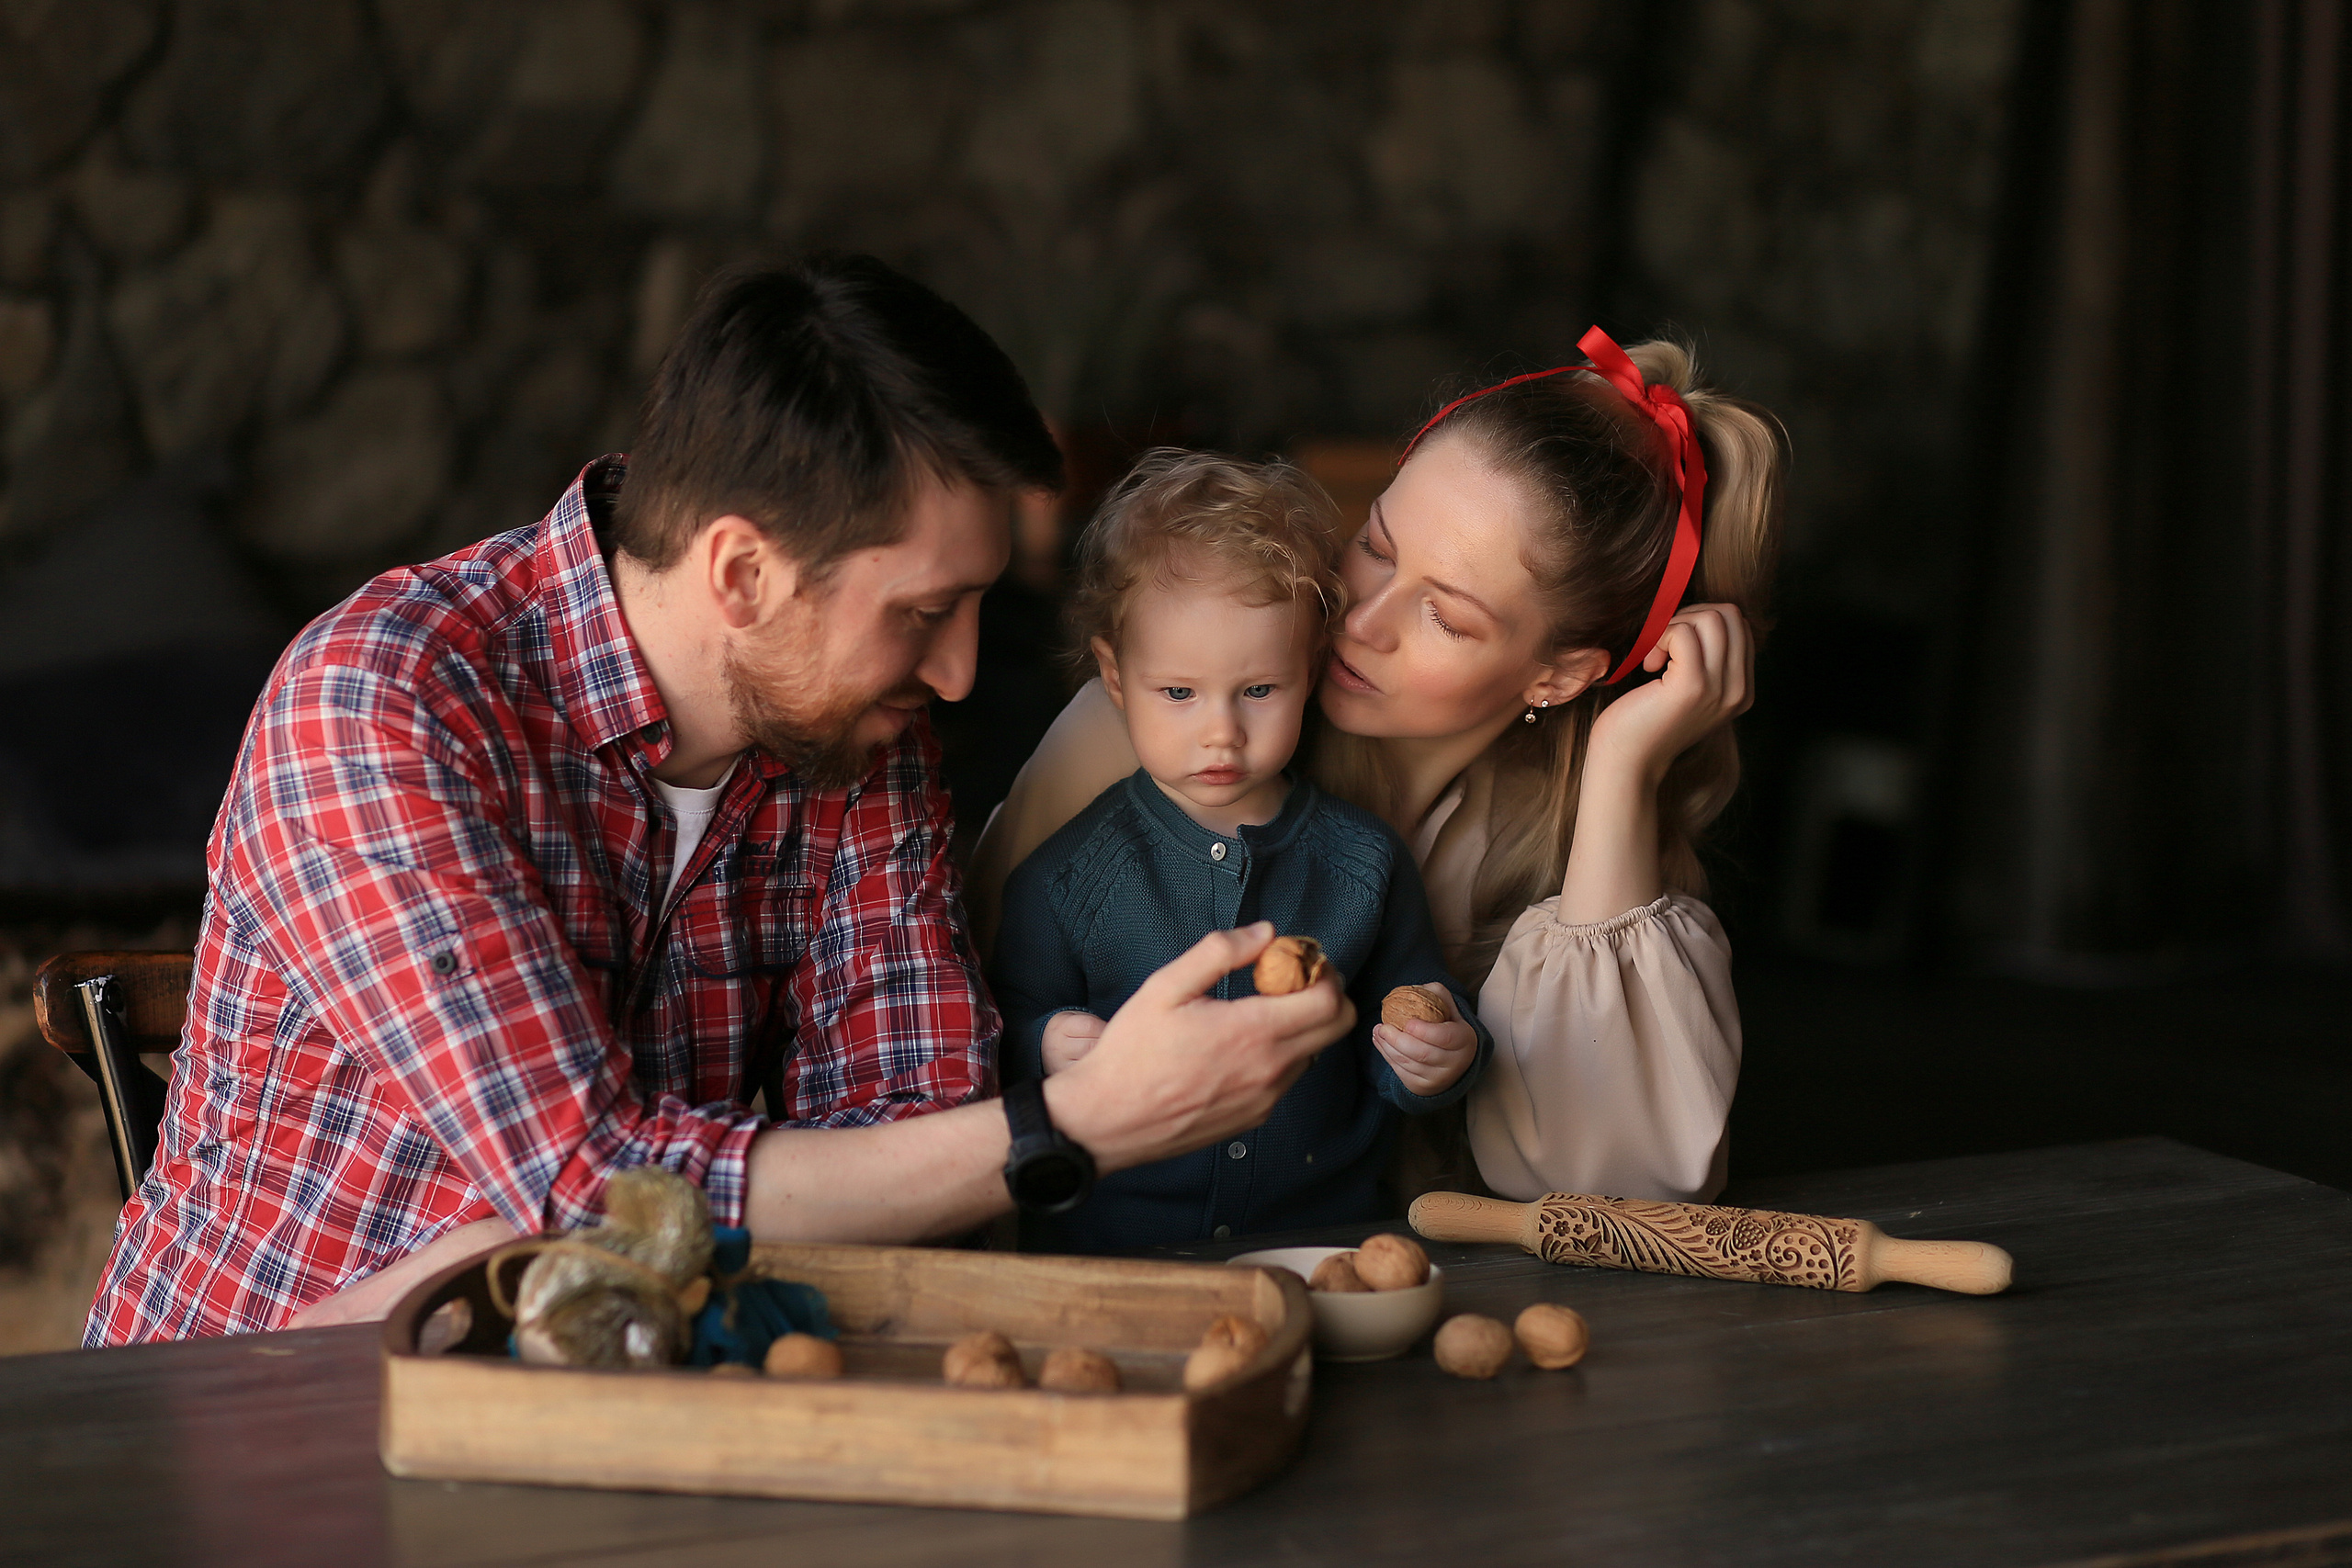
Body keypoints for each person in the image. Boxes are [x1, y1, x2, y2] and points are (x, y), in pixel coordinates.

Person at [85, 255, 1353, 1345]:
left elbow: (908, 1124)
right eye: (923, 612)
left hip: (617, 1389)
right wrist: (1071, 1120)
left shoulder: (856, 726)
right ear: (741, 571)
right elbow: (594, 1187)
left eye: (974, 607)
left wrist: (526, 1243)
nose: (960, 672)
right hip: (252, 1409)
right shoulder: (383, 702)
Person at [971, 328, 1782, 1206]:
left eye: (1446, 616)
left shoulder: (1562, 839)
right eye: (1378, 546)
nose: (1361, 620)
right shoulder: (1156, 728)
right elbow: (965, 1054)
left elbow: (1619, 1200)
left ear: (1560, 675)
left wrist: (1622, 765)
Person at [991, 452, 1491, 1252]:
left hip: (1322, 1246)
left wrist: (1442, 1054)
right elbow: (997, 1032)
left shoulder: (1365, 862)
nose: (1221, 731)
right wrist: (1045, 1043)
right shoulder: (1066, 878)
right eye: (1178, 693)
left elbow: (1411, 1009)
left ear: (1309, 670)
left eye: (1259, 690)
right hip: (1119, 1256)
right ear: (1116, 677)